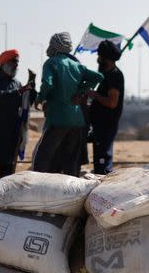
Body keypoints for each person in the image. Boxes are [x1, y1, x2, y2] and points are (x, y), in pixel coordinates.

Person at [32, 32, 103, 176]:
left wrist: (39, 98)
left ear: (54, 46)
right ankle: (72, 194)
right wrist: (80, 91)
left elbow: (48, 83)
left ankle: (39, 191)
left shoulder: (51, 63)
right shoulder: (76, 65)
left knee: (42, 159)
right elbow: (98, 77)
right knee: (71, 162)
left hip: (58, 118)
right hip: (76, 120)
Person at [0, 49, 36, 188]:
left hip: (10, 136)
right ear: (4, 63)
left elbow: (27, 103)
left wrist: (31, 88)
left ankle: (2, 206)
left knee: (7, 176)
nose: (16, 65)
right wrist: (18, 92)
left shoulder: (16, 83)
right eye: (13, 62)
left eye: (17, 62)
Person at [86, 39, 125, 174]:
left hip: (106, 125)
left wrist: (94, 94)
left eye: (100, 57)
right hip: (99, 124)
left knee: (103, 161)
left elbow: (112, 102)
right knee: (99, 160)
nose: (98, 60)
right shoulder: (106, 75)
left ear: (106, 58)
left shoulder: (114, 76)